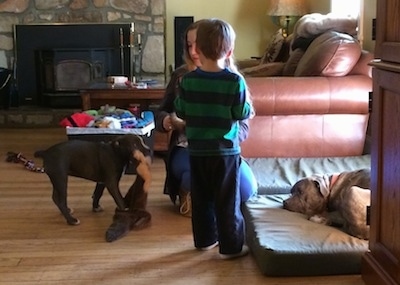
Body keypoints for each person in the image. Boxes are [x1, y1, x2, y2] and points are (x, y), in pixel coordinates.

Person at [155, 20, 257, 218]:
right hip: (187, 148)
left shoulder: (234, 80)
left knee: (247, 190)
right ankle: (191, 196)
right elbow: (164, 111)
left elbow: (244, 122)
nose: (193, 51)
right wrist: (167, 121)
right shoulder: (181, 76)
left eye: (198, 45)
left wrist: (218, 129)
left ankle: (209, 220)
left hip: (223, 150)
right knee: (196, 181)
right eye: (189, 45)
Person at [174, 18, 252, 259]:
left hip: (197, 152)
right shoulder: (235, 81)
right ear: (229, 51)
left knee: (202, 198)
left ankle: (205, 240)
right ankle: (231, 247)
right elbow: (241, 113)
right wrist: (246, 106)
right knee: (228, 200)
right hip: (225, 153)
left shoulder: (187, 80)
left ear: (196, 49)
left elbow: (180, 111)